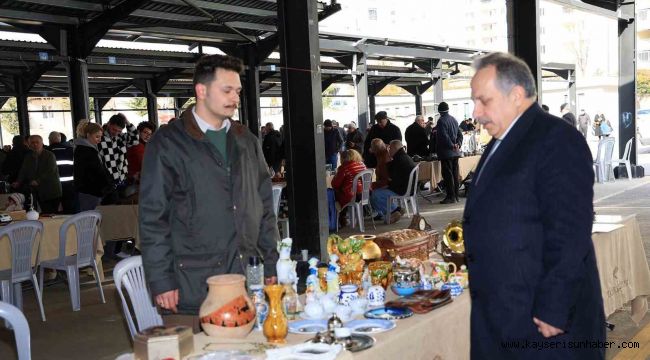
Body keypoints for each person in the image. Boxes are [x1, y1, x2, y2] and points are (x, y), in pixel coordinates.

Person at [465, 52, 604, 359]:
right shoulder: (502, 141)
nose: (476, 112)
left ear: (516, 95)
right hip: (503, 317)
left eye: (483, 100)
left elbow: (570, 231)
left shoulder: (556, 139)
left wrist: (554, 307)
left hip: (543, 327)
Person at [140, 54, 279, 331]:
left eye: (237, 91)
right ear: (201, 90)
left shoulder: (246, 140)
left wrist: (272, 263)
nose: (235, 98)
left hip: (245, 279)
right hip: (193, 285)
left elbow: (263, 207)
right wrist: (162, 280)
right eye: (226, 90)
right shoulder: (168, 143)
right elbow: (153, 217)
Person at [12, 135, 62, 213]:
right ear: (28, 145)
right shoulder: (28, 157)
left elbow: (50, 171)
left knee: (50, 214)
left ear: (42, 143)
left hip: (51, 191)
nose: (35, 144)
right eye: (32, 143)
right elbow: (23, 171)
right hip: (37, 192)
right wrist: (18, 182)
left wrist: (38, 181)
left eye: (37, 142)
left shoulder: (49, 155)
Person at [98, 113, 139, 203]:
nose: (116, 133)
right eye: (114, 129)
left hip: (121, 179)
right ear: (109, 124)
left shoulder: (120, 137)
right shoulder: (99, 138)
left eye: (119, 131)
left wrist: (127, 122)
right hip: (107, 182)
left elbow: (135, 139)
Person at [370, 140, 413, 224]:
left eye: (390, 148)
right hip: (408, 188)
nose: (389, 150)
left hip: (402, 189)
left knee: (375, 194)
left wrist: (386, 185)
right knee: (376, 190)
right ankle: (393, 210)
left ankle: (394, 210)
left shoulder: (397, 159)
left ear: (394, 148)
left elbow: (391, 179)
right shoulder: (404, 157)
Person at [74, 121, 113, 211]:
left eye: (100, 137)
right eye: (97, 136)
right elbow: (97, 171)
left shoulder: (85, 149)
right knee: (91, 219)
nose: (99, 140)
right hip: (90, 192)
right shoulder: (87, 151)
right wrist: (108, 184)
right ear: (88, 135)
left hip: (89, 191)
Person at [330, 149, 366, 228]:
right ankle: (345, 218)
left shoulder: (344, 168)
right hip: (363, 194)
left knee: (331, 194)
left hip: (351, 196)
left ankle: (339, 219)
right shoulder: (362, 165)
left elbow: (335, 184)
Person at [435, 102, 463, 204]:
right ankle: (456, 196)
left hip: (446, 153)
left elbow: (443, 137)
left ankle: (450, 197)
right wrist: (458, 144)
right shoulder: (454, 119)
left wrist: (452, 145)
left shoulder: (441, 121)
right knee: (455, 174)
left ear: (439, 111)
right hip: (455, 153)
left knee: (448, 175)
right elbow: (460, 134)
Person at [48, 131, 76, 214]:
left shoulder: (47, 151)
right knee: (69, 209)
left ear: (49, 140)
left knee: (53, 210)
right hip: (69, 185)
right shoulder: (70, 150)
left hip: (53, 185)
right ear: (60, 139)